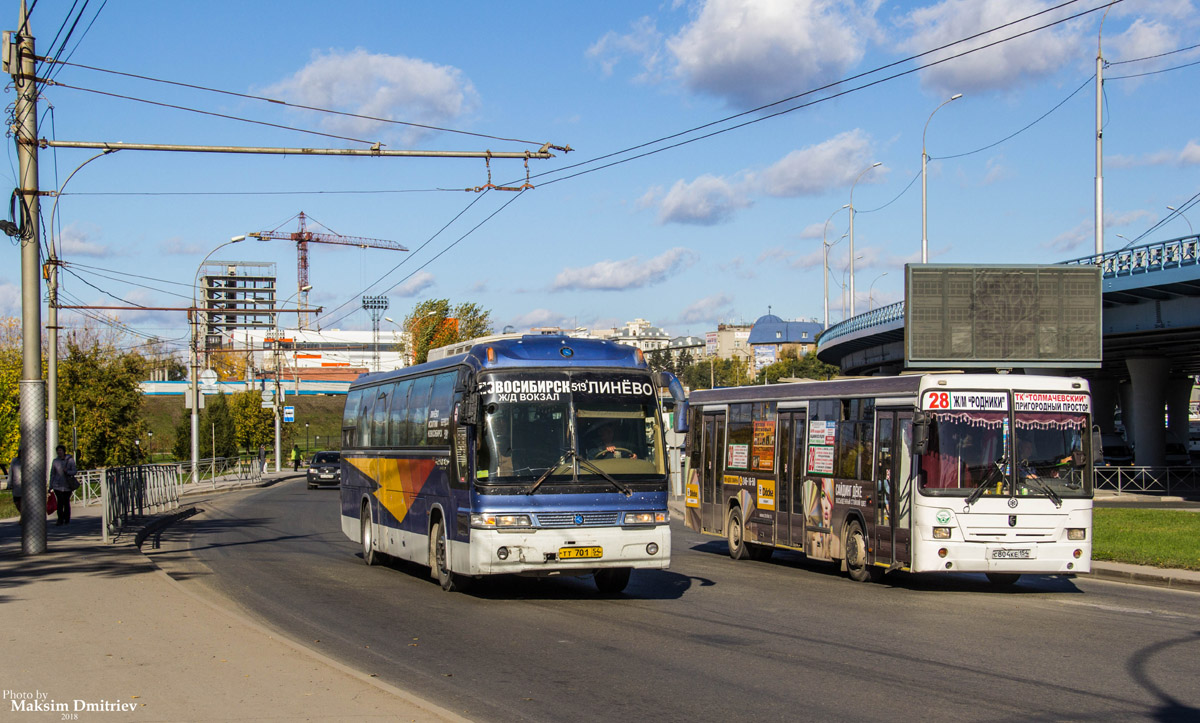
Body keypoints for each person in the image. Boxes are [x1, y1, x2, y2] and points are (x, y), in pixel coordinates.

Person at [49, 444, 77, 526]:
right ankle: (60, 519)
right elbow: (52, 474)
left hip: (67, 485)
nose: (59, 452)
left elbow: (74, 471)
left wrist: (67, 471)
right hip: (57, 485)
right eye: (58, 451)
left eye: (60, 450)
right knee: (60, 503)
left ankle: (67, 518)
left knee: (66, 502)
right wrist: (51, 485)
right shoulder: (55, 461)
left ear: (64, 451)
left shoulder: (70, 460)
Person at [5, 449, 21, 514]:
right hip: (16, 484)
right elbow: (10, 472)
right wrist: (9, 483)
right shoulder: (14, 460)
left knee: (23, 502)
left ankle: (24, 516)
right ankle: (23, 515)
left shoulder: (27, 460)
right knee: (16, 502)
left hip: (25, 485)